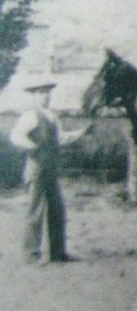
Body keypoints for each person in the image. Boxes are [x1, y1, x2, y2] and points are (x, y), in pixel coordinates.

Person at [9, 79, 89, 264]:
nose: (46, 96)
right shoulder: (30, 115)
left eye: (47, 92)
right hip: (36, 168)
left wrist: (82, 132)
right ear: (34, 95)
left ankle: (58, 253)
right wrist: (33, 146)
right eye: (41, 92)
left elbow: (61, 138)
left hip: (50, 170)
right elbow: (16, 136)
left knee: (57, 210)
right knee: (35, 211)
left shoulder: (52, 116)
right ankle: (31, 254)